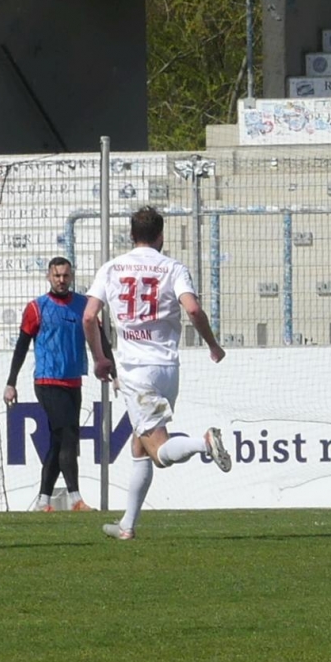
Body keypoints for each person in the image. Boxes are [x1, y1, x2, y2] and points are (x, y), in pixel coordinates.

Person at [82, 207, 232, 540]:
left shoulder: (112, 268)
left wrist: (100, 358)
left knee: (159, 453)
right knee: (139, 446)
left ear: (131, 234)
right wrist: (212, 345)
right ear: (161, 235)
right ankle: (127, 526)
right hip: (167, 368)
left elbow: (89, 317)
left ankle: (204, 443)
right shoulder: (173, 268)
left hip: (136, 371)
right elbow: (193, 309)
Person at [4, 256, 91, 512]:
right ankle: (75, 498)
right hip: (47, 381)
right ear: (49, 277)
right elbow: (21, 346)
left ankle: (43, 500)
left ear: (71, 276)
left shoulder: (83, 305)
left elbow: (99, 337)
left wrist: (107, 364)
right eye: (57, 276)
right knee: (68, 435)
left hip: (73, 381)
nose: (61, 280)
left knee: (58, 439)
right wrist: (11, 382)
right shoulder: (37, 307)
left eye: (65, 276)